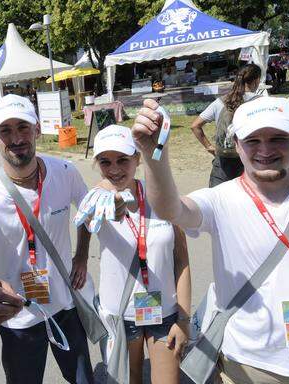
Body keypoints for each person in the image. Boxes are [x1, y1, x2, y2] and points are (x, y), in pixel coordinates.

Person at [131, 96, 289, 384]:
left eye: (278, 138)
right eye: (253, 140)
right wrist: (155, 156)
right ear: (236, 145)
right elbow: (170, 209)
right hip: (246, 365)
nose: (265, 150)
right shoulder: (219, 199)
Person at [0, 94, 94, 384]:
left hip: (65, 305)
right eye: (5, 130)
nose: (17, 138)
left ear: (36, 129)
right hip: (18, 315)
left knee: (84, 380)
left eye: (23, 127)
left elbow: (88, 213)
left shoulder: (65, 171)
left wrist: (82, 256)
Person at [91, 125, 192, 384]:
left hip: (166, 312)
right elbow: (87, 217)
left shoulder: (162, 195)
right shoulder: (98, 200)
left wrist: (183, 319)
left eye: (123, 160)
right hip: (121, 315)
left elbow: (182, 259)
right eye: (105, 162)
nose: (114, 169)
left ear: (137, 158)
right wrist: (80, 257)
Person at [190, 63, 261, 187]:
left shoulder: (221, 101)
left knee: (217, 199)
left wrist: (209, 147)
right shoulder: (261, 102)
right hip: (250, 160)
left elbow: (195, 126)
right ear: (257, 80)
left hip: (223, 159)